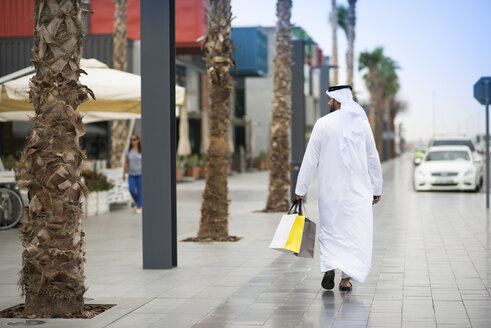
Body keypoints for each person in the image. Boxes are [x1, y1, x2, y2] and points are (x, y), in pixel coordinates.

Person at [295, 85, 383, 291]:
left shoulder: (322, 124)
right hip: (358, 194)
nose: (328, 103)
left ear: (337, 100)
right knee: (353, 234)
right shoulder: (362, 124)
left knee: (330, 231)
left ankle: (329, 266)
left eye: (330, 100)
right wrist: (376, 187)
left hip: (330, 193)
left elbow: (310, 160)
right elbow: (373, 156)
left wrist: (301, 188)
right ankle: (345, 279)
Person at [123, 134, 142, 214]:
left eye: (134, 139)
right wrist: (124, 174)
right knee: (132, 190)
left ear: (138, 140)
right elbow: (126, 163)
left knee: (140, 191)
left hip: (140, 174)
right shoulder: (129, 151)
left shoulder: (141, 151)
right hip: (131, 174)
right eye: (131, 140)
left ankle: (139, 206)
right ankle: (138, 202)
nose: (132, 141)